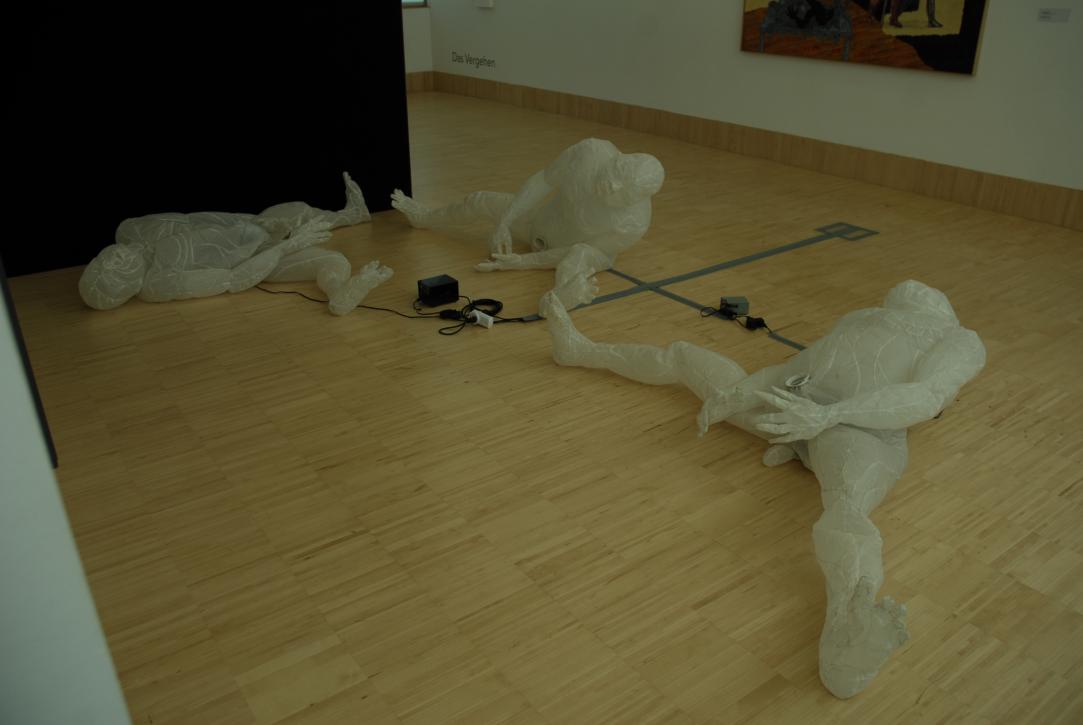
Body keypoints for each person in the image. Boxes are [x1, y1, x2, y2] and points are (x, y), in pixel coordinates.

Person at [539, 279, 986, 698]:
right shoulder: (863, 317)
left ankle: (849, 629)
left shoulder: (960, 339)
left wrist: (829, 416)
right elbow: (797, 368)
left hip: (860, 431)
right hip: (796, 407)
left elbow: (926, 397)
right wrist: (740, 394)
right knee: (684, 357)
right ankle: (579, 350)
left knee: (847, 508)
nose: (911, 291)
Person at [391, 138, 664, 309]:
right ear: (618, 159)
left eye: (624, 193)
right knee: (479, 200)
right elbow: (543, 181)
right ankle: (424, 217)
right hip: (539, 221)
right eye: (616, 174)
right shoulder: (590, 153)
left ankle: (558, 301)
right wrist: (505, 222)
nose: (613, 187)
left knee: (577, 257)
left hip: (575, 249)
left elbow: (578, 251)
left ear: (637, 200)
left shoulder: (634, 223)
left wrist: (522, 262)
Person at [79, 172, 392, 315]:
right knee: (333, 260)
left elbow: (196, 220)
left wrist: (256, 225)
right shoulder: (160, 283)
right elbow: (234, 279)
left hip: (248, 228)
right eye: (113, 274)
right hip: (258, 259)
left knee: (293, 210)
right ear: (127, 287)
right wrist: (285, 247)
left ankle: (353, 214)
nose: (112, 261)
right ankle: (339, 295)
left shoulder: (131, 231)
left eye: (101, 262)